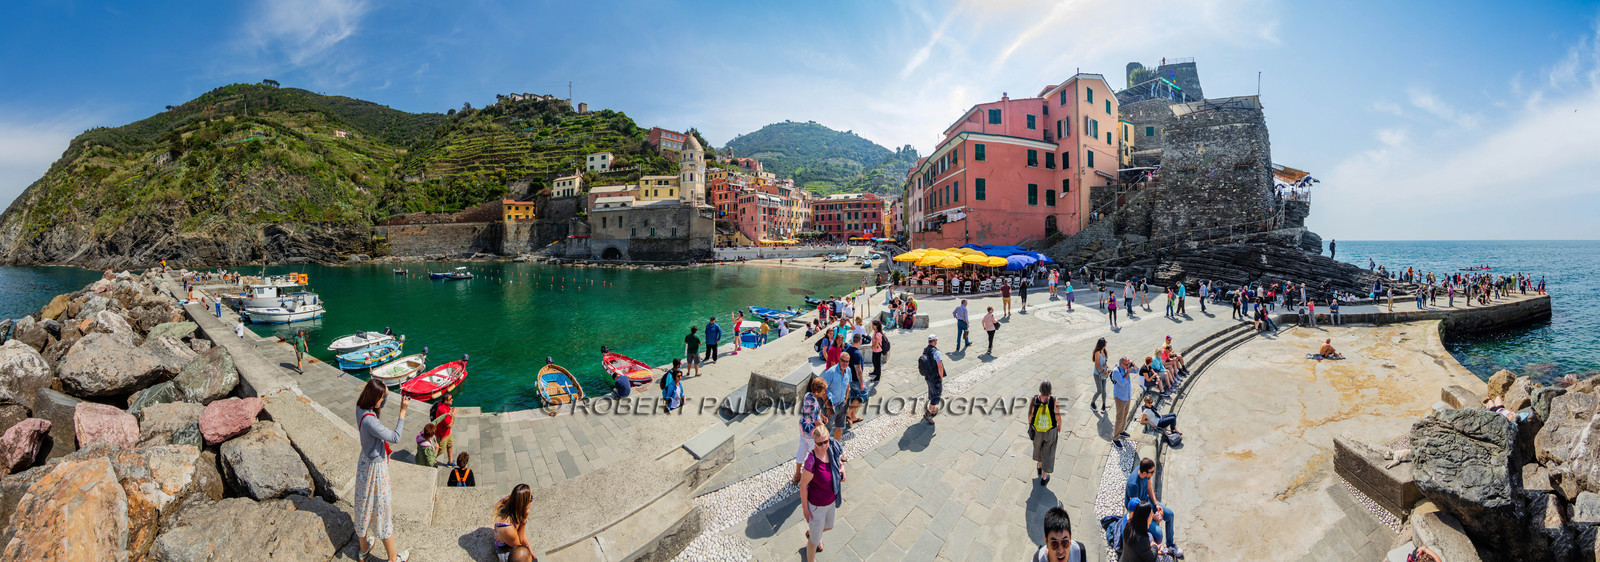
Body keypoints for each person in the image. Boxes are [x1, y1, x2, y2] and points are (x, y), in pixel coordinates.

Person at [354, 379, 409, 562]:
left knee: (362, 506)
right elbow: (395, 437)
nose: (382, 401)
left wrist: (385, 392)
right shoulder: (371, 422)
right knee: (383, 510)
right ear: (374, 398)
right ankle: (393, 559)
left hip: (364, 462)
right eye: (381, 398)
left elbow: (378, 406)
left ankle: (363, 550)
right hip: (376, 469)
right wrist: (402, 412)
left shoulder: (360, 408)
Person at [800, 425, 843, 561]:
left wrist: (843, 469)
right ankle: (814, 541)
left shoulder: (832, 448)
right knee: (813, 542)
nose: (824, 446)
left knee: (829, 526)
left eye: (826, 441)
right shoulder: (811, 461)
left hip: (831, 502)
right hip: (817, 507)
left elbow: (839, 461)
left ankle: (813, 533)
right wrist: (805, 509)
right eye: (820, 443)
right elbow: (803, 486)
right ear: (815, 442)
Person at [1125, 457, 1182, 558]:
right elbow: (1137, 510)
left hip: (1146, 501)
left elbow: (1149, 488)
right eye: (1151, 472)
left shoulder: (1145, 473)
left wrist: (1156, 504)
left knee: (1170, 515)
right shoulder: (1133, 485)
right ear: (1144, 472)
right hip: (1139, 509)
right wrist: (1151, 517)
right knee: (1158, 534)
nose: (1153, 474)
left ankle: (1170, 545)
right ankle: (1152, 552)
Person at [793, 377, 828, 485]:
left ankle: (797, 474)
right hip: (811, 432)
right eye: (823, 391)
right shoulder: (813, 403)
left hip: (803, 428)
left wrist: (822, 415)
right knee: (814, 454)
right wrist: (826, 431)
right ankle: (812, 476)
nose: (824, 392)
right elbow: (816, 421)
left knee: (801, 450)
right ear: (818, 392)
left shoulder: (808, 395)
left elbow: (813, 412)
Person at [1029, 381, 1060, 485]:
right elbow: (1058, 416)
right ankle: (1043, 476)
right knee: (1048, 451)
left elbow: (1030, 414)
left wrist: (1030, 424)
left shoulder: (1035, 398)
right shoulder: (1053, 400)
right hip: (1050, 431)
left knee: (1038, 447)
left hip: (1037, 430)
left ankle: (1039, 466)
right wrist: (1059, 425)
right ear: (1050, 390)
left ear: (1040, 389)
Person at [492, 484, 534, 562]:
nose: (531, 501)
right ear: (523, 504)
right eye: (531, 499)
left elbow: (520, 531)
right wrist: (524, 519)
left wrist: (528, 545)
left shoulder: (510, 500)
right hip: (505, 549)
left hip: (511, 537)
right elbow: (519, 545)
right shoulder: (507, 528)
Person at [919, 335, 947, 424]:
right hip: (935, 377)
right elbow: (940, 366)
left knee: (931, 392)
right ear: (935, 341)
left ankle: (934, 410)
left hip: (928, 376)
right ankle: (928, 414)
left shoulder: (925, 349)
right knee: (936, 396)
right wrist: (940, 378)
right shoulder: (936, 352)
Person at [821, 359, 850, 441]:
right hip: (831, 405)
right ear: (839, 360)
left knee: (840, 427)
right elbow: (823, 390)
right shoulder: (830, 372)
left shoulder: (848, 370)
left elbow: (848, 383)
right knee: (826, 430)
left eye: (847, 361)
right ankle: (824, 451)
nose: (845, 363)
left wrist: (846, 397)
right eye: (843, 361)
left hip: (842, 404)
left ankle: (836, 447)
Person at [1110, 357, 1134, 447]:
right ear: (1121, 364)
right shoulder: (1116, 371)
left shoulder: (1125, 368)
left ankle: (1121, 431)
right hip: (1120, 397)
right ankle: (1115, 438)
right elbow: (1123, 382)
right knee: (1119, 417)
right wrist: (1127, 373)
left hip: (1127, 396)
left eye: (1128, 364)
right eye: (1126, 364)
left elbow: (1137, 370)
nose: (1128, 366)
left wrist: (1133, 364)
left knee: (1125, 415)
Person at [844, 336, 867, 424]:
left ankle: (853, 417)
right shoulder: (856, 353)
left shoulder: (848, 349)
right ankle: (849, 413)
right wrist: (861, 383)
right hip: (856, 380)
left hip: (850, 379)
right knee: (863, 396)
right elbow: (858, 370)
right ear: (860, 341)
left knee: (854, 397)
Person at [431, 393, 455, 464]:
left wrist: (450, 410)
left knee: (450, 445)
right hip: (442, 434)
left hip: (447, 432)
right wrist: (453, 415)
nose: (452, 400)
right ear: (446, 401)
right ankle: (431, 461)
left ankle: (450, 462)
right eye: (450, 399)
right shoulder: (442, 410)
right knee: (439, 451)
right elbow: (450, 425)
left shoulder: (444, 405)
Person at [1089, 338, 1110, 414]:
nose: (1107, 342)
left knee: (1104, 390)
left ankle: (1104, 404)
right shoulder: (1097, 352)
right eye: (1105, 342)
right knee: (1100, 390)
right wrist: (1104, 370)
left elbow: (1104, 362)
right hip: (1097, 374)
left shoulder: (1104, 351)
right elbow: (1096, 365)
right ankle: (1092, 403)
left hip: (1104, 373)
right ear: (1103, 344)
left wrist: (1108, 368)